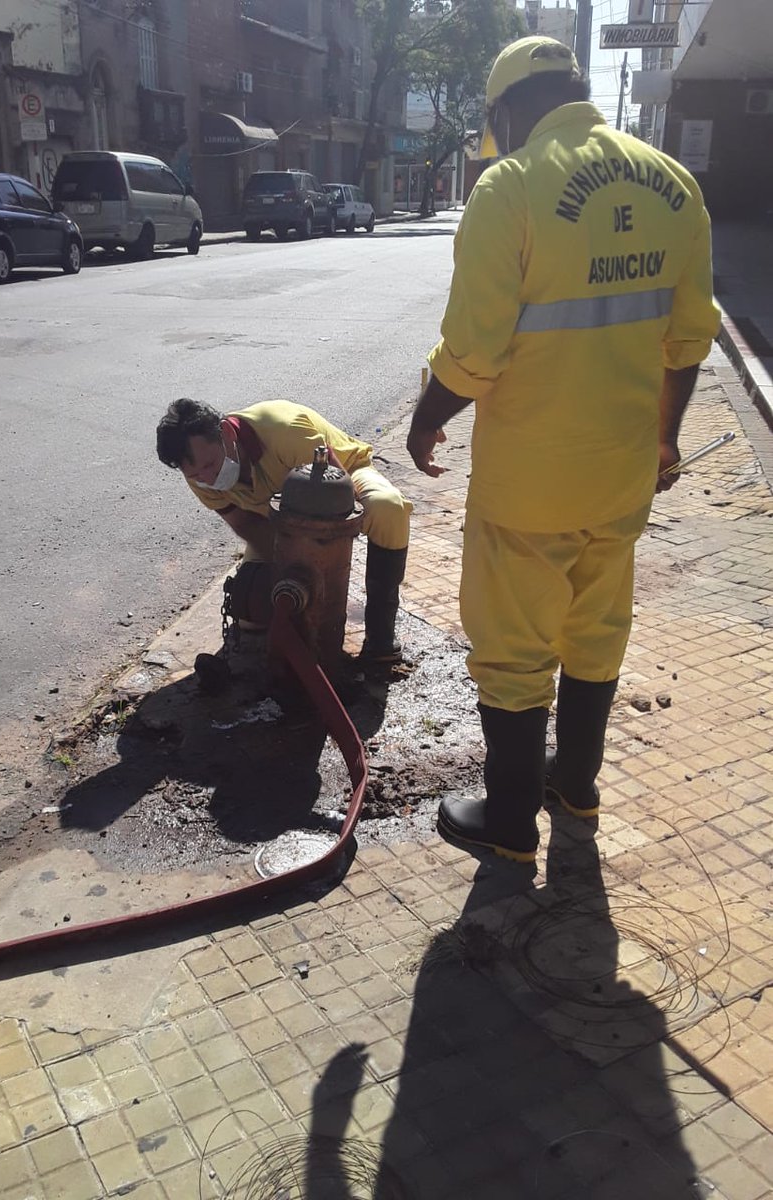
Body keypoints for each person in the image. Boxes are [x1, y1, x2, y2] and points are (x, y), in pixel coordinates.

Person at [406, 36, 720, 863]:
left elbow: (473, 353)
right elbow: (689, 341)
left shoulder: (508, 189)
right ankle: (576, 783)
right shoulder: (676, 185)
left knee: (513, 648)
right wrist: (665, 439)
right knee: (598, 626)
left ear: (509, 111)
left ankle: (510, 822)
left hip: (530, 486)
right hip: (622, 477)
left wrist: (425, 418)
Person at [157, 397, 412, 661]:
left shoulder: (285, 431)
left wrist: (324, 568)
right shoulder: (199, 477)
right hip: (283, 522)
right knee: (252, 609)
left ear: (227, 433)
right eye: (195, 474)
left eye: (210, 465)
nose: (207, 479)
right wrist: (293, 569)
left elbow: (340, 496)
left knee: (388, 508)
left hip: (344, 477)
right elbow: (245, 525)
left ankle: (381, 634)